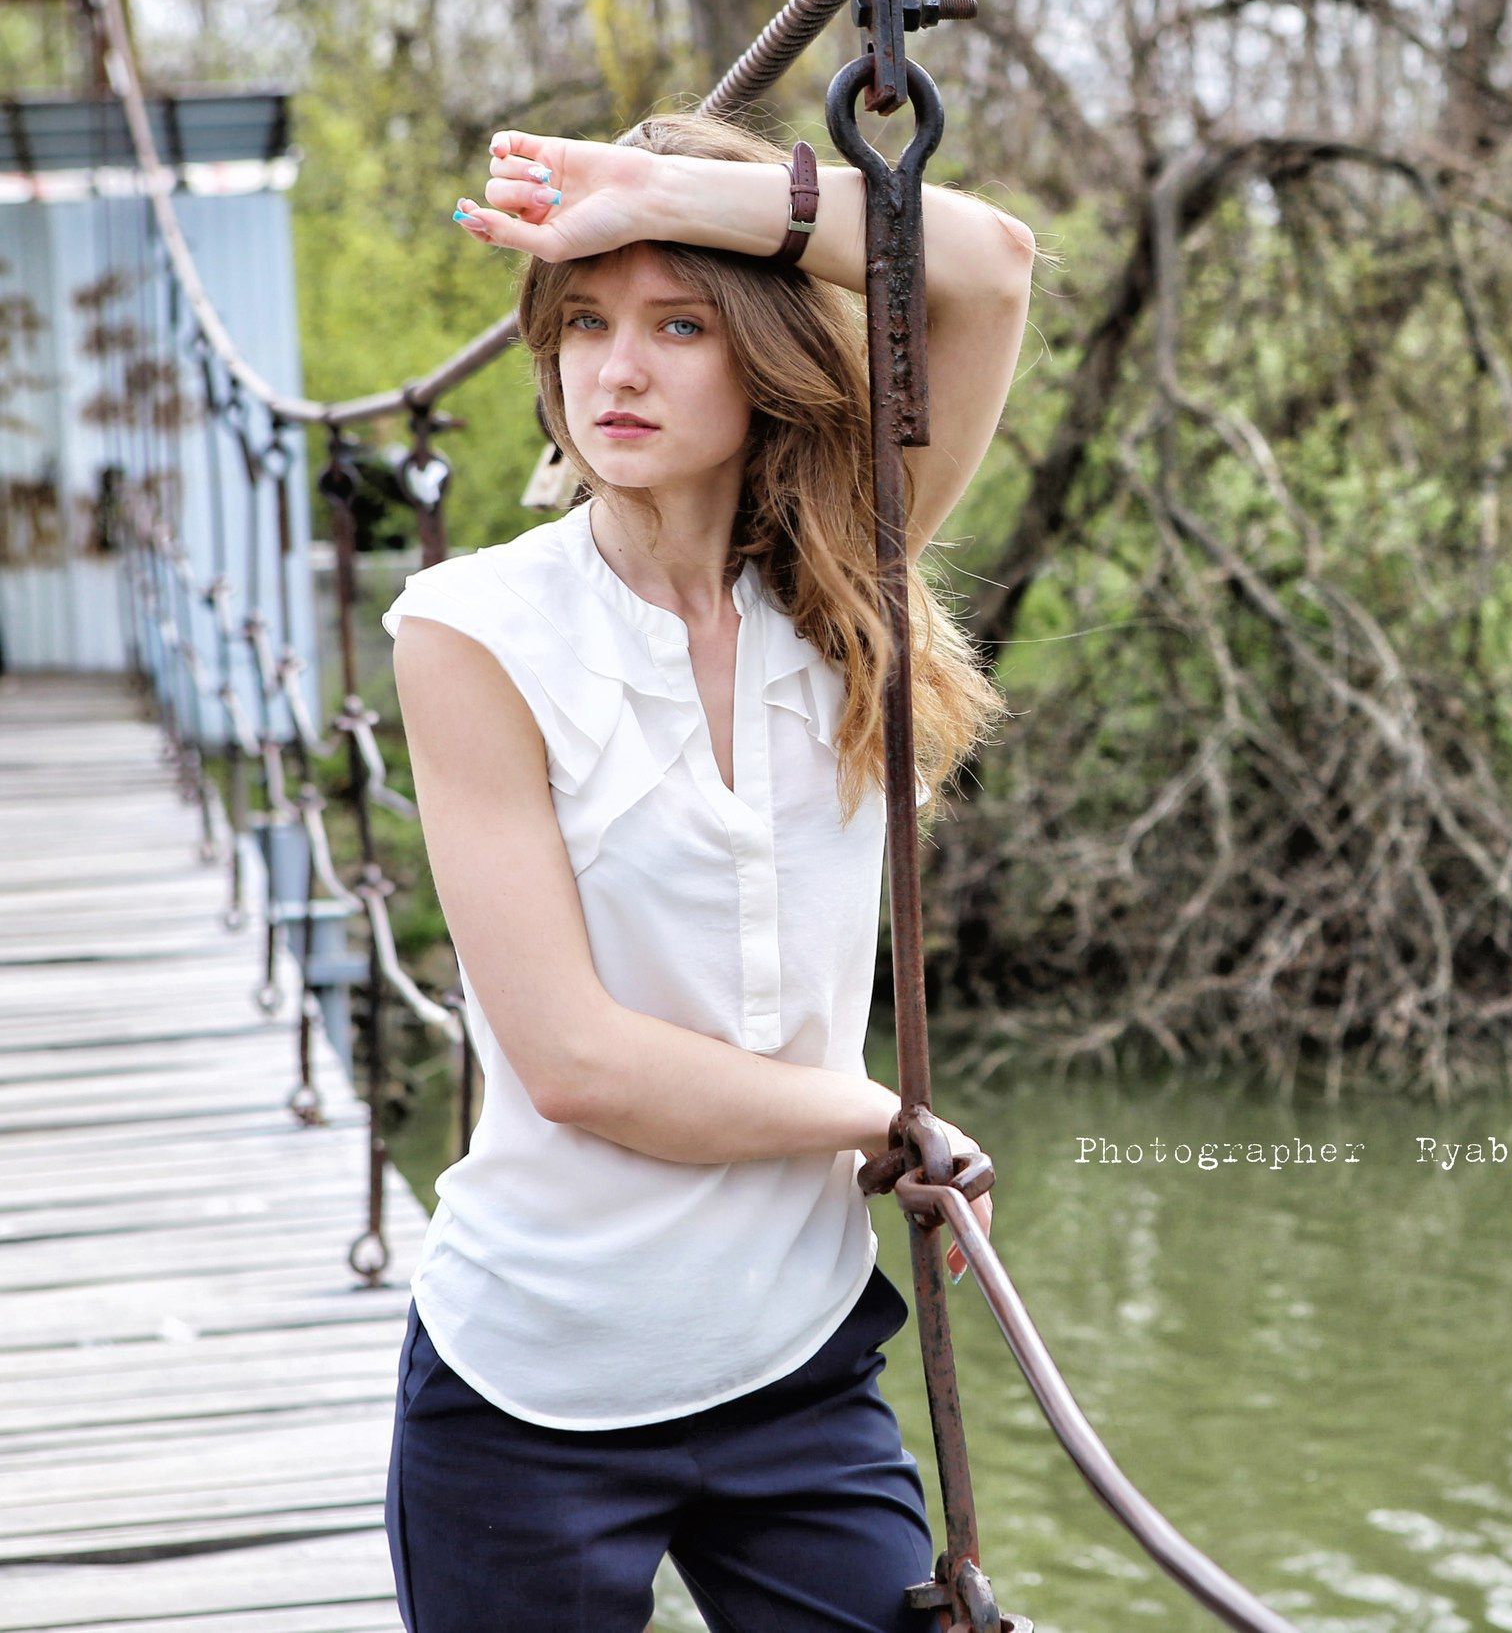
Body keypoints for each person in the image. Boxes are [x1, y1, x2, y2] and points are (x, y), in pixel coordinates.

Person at [379, 108, 1037, 1633]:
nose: (615, 371)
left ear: (767, 351)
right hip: (527, 1394)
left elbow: (989, 268)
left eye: (681, 324)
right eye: (584, 322)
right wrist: (883, 1117)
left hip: (795, 1373)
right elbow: (578, 1063)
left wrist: (673, 192)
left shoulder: (844, 588)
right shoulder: (472, 632)